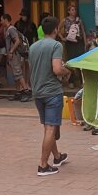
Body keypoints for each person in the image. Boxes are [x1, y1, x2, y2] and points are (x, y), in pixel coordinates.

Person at [29, 15, 69, 176]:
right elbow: (57, 69)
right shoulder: (56, 45)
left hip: (37, 92)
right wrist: (68, 71)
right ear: (55, 30)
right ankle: (43, 165)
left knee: (48, 127)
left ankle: (57, 156)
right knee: (51, 128)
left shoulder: (33, 47)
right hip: (52, 92)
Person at [4, 15, 29, 100]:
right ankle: (18, 92)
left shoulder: (11, 29)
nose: (1, 22)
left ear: (5, 20)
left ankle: (26, 91)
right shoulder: (8, 29)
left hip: (15, 54)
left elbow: (17, 41)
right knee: (15, 74)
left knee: (18, 72)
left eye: (2, 20)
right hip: (12, 55)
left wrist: (11, 51)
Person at [62, 2, 87, 67]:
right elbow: (58, 30)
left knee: (80, 56)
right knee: (71, 57)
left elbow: (83, 31)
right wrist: (62, 38)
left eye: (75, 10)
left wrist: (85, 43)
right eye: (72, 10)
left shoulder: (79, 20)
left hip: (79, 41)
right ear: (68, 11)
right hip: (70, 42)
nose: (74, 11)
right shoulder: (65, 20)